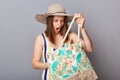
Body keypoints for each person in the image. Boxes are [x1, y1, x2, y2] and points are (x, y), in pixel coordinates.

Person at [32, 3, 97, 80]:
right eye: (56, 21)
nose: (59, 24)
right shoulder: (41, 38)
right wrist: (50, 65)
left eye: (62, 21)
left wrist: (82, 28)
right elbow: (34, 63)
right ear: (50, 22)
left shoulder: (70, 36)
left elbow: (89, 48)